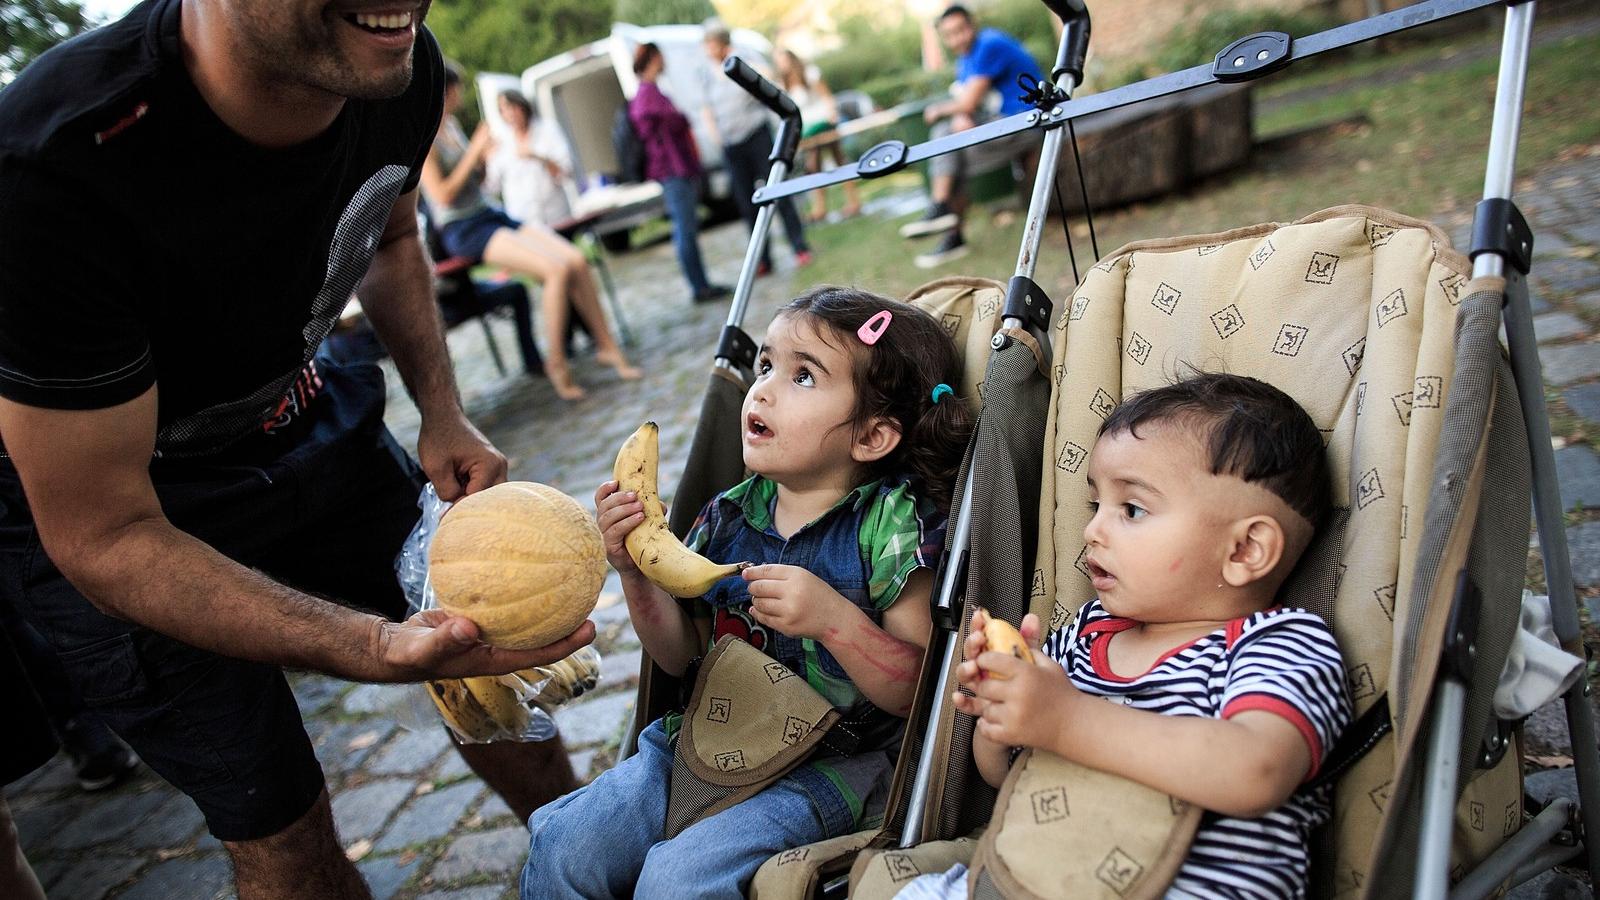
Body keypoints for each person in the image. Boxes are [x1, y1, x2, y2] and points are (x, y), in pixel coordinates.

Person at [0, 3, 597, 897]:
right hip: (122, 512)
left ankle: (594, 873)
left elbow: (392, 233)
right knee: (282, 825)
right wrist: (371, 645)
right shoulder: (52, 167)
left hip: (307, 424)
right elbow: (103, 536)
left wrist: (441, 409)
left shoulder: (393, 60)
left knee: (497, 691)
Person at [521, 287, 976, 898]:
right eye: (765, 366)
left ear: (872, 436)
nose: (761, 390)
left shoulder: (890, 526)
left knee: (676, 880)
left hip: (832, 767)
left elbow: (917, 689)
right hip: (708, 738)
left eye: (803, 377)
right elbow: (684, 657)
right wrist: (633, 572)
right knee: (565, 845)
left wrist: (835, 622)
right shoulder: (726, 518)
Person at [896, 373, 1352, 899]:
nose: (1093, 530)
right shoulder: (1081, 637)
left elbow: (1259, 770)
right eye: (1096, 507)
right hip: (1052, 877)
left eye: (1131, 510)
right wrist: (1004, 716)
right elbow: (1011, 777)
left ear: (1245, 550)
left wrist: (1066, 719)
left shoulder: (1278, 643)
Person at [423, 62, 640, 401]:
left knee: (575, 260)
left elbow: (475, 183)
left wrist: (481, 162)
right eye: (457, 89)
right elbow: (442, 195)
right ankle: (556, 364)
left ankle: (606, 346)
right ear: (445, 90)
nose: (461, 96)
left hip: (489, 212)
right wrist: (476, 154)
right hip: (462, 227)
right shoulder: (423, 137)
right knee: (553, 271)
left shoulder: (451, 126)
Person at [901, 5, 1045, 270]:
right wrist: (961, 114)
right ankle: (948, 224)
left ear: (972, 25)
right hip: (1002, 123)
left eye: (961, 30)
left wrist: (940, 110)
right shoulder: (966, 58)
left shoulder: (989, 44)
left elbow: (966, 102)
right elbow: (966, 103)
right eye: (950, 34)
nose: (958, 38)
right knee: (951, 145)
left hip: (1030, 122)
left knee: (948, 145)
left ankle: (946, 219)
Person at [700, 19, 813, 277]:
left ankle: (799, 246)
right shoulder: (706, 73)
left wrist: (744, 64)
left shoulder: (743, 59)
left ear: (722, 43)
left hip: (756, 136)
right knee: (747, 202)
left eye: (710, 44)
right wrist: (715, 136)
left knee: (778, 191)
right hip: (732, 145)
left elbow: (768, 76)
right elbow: (706, 108)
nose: (707, 50)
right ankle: (762, 260)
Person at [629, 43, 732, 305]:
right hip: (672, 171)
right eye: (661, 56)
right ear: (653, 58)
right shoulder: (646, 95)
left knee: (687, 227)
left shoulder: (654, 92)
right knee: (684, 229)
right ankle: (699, 287)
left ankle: (701, 283)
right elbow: (649, 127)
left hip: (678, 169)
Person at [773, 48, 862, 224]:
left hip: (822, 121)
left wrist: (832, 114)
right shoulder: (784, 82)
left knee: (837, 160)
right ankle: (820, 207)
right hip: (806, 127)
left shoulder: (809, 73)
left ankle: (852, 201)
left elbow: (826, 96)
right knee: (814, 165)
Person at [487, 89, 573, 227]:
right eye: (503, 110)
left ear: (523, 107)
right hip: (523, 220)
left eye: (513, 107)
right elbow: (491, 186)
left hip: (555, 215)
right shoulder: (501, 143)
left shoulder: (548, 129)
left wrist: (537, 157)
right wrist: (483, 159)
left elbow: (566, 172)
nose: (510, 114)